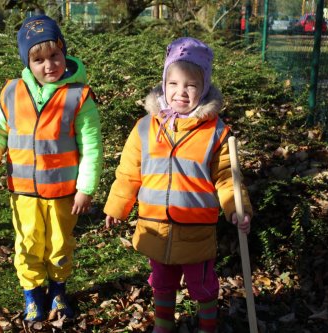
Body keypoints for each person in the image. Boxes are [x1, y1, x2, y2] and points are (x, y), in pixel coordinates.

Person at [103, 37, 253, 333]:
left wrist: (236, 208)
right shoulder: (145, 127)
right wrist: (117, 206)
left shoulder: (216, 132)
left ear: (205, 87)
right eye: (173, 83)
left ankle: (208, 325)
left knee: (202, 284)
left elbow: (226, 175)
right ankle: (163, 324)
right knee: (161, 281)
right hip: (154, 224)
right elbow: (129, 172)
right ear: (163, 83)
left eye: (191, 85)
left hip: (195, 228)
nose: (180, 92)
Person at [0, 15, 103, 322]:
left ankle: (57, 289)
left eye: (54, 55)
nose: (49, 65)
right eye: (38, 59)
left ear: (64, 52)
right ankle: (31, 294)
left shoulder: (78, 97)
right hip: (24, 191)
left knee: (59, 243)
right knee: (27, 241)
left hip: (63, 193)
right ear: (27, 62)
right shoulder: (12, 93)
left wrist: (86, 187)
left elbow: (92, 146)